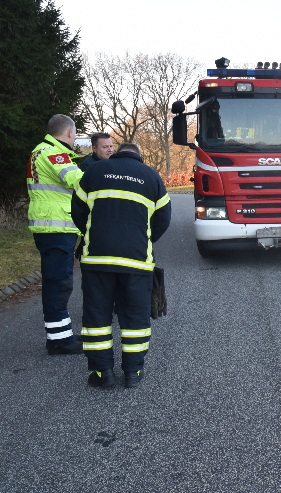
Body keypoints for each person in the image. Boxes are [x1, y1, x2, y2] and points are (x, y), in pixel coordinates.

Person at [71, 142, 171, 388]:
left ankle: (101, 373)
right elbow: (163, 220)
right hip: (137, 261)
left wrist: (94, 234)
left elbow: (77, 211)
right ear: (139, 156)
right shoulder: (152, 177)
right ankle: (132, 373)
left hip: (97, 259)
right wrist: (143, 238)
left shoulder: (94, 172)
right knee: (135, 316)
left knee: (97, 315)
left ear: (116, 154)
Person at [27, 114, 85, 355]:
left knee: (56, 282)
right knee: (58, 284)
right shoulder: (53, 153)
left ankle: (61, 333)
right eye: (74, 135)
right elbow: (78, 180)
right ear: (69, 133)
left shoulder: (40, 150)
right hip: (55, 227)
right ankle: (59, 340)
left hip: (51, 226)